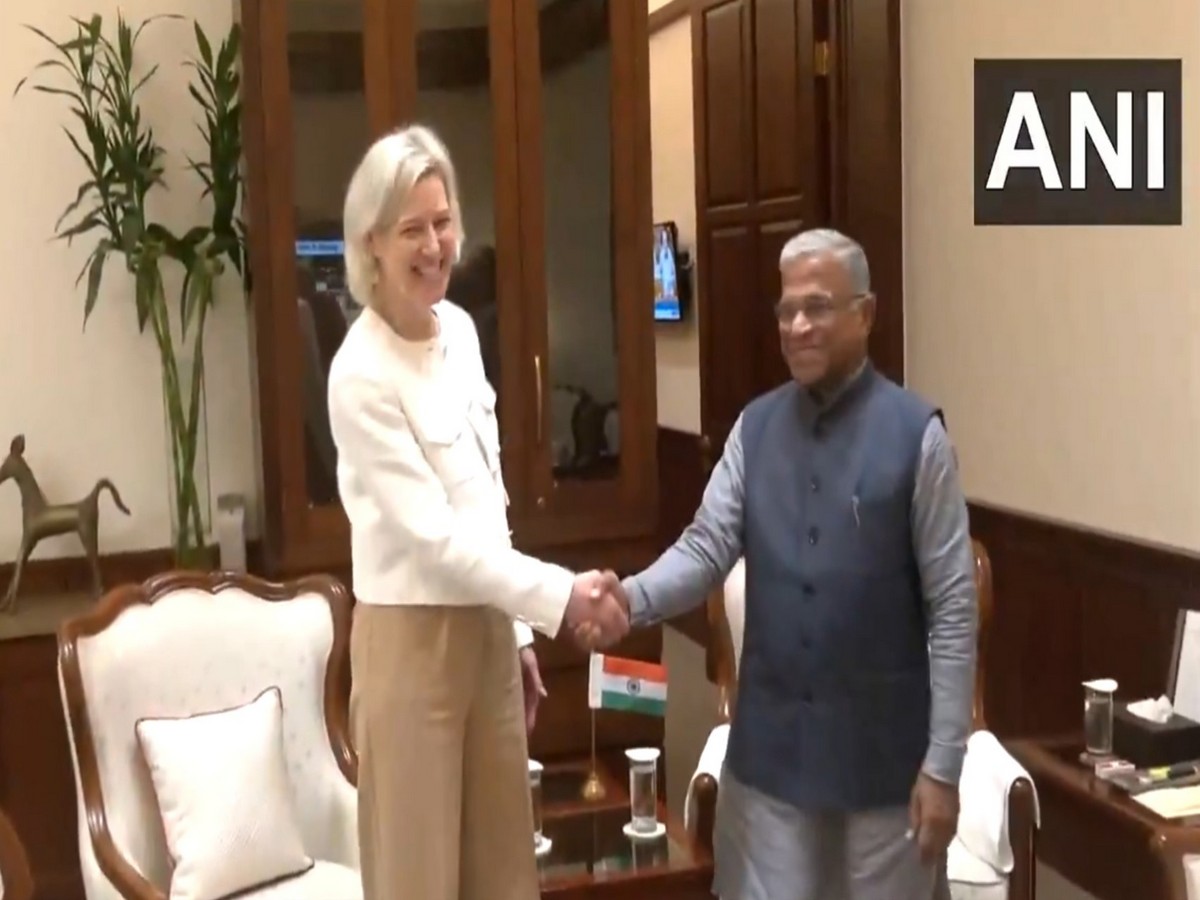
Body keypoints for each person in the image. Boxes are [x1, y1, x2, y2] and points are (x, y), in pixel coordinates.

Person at [614, 227, 978, 900]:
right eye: (786, 310)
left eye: (818, 307)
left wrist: (944, 766)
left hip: (885, 772)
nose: (798, 325)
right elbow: (704, 547)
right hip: (772, 767)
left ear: (865, 314)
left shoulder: (916, 436)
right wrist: (626, 600)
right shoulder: (753, 429)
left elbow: (954, 613)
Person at [326, 124, 629, 900]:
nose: (435, 246)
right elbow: (434, 539)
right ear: (371, 245)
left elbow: (483, 499)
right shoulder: (358, 374)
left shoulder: (461, 331)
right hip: (409, 648)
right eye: (412, 230)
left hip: (491, 637)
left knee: (503, 872)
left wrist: (520, 633)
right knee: (418, 879)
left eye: (444, 220)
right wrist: (562, 598)